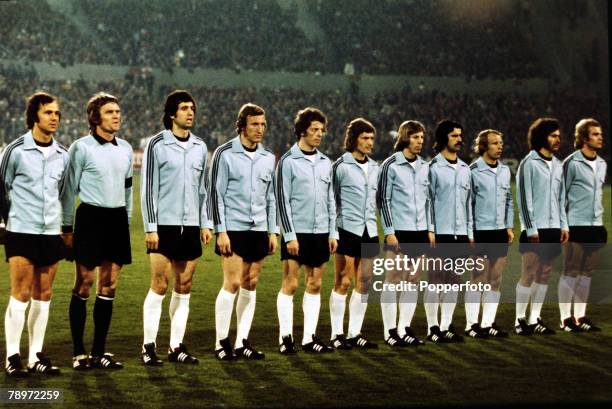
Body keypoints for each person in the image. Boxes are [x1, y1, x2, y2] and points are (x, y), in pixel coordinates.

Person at [61, 92, 134, 369]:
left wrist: (126, 220)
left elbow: (128, 189)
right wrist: (67, 228)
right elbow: (69, 191)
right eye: (110, 112)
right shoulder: (81, 148)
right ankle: (78, 353)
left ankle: (99, 352)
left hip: (116, 220)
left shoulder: (125, 148)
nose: (117, 115)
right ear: (95, 118)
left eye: (118, 111)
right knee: (84, 284)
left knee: (110, 286)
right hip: (90, 218)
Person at [140, 90, 212, 366]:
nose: (190, 112)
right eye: (184, 108)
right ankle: (148, 346)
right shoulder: (156, 144)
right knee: (160, 284)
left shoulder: (199, 146)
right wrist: (150, 227)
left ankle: (176, 346)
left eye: (192, 107)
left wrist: (204, 223)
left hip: (191, 225)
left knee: (185, 285)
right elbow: (147, 190)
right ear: (172, 114)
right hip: (164, 226)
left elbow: (202, 191)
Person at [1, 92, 68, 376]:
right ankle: (13, 356)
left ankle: (35, 356)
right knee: (21, 292)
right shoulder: (15, 150)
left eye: (57, 114)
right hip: (21, 230)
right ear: (34, 116)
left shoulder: (63, 155)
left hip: (51, 232)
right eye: (48, 113)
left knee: (44, 294)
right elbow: (0, 188)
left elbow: (65, 195)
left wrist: (66, 229)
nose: (54, 118)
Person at [208, 103, 278, 360]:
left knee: (251, 283)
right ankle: (221, 342)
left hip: (259, 228)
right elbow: (216, 195)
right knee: (233, 282)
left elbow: (271, 198)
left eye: (262, 124)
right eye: (254, 124)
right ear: (242, 126)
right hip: (233, 228)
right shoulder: (224, 153)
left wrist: (273, 231)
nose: (260, 129)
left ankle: (242, 342)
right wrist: (220, 231)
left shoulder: (268, 157)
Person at [275, 107, 338, 354]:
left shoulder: (325, 162)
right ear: (302, 131)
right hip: (297, 233)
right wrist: (289, 235)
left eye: (322, 130)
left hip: (321, 232)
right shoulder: (287, 162)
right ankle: (285, 338)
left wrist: (333, 232)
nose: (319, 134)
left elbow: (331, 200)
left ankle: (309, 338)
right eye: (314, 130)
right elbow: (282, 201)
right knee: (290, 283)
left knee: (315, 283)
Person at [377, 120, 433, 347]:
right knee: (393, 280)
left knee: (413, 280)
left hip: (420, 232)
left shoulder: (424, 166)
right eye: (416, 137)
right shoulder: (390, 165)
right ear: (405, 138)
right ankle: (390, 331)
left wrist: (430, 229)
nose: (420, 142)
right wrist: (389, 232)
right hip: (398, 232)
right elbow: (383, 200)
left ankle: (404, 328)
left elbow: (428, 200)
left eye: (422, 137)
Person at [515, 117, 569, 336]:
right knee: (529, 272)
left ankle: (535, 318)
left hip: (554, 228)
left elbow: (561, 198)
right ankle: (520, 320)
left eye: (558, 136)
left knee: (545, 273)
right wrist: (530, 229)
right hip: (535, 229)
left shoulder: (558, 165)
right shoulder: (528, 163)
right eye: (553, 135)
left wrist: (564, 225)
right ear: (541, 137)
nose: (558, 139)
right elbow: (523, 198)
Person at [330, 118, 380, 350]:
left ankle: (354, 333)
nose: (370, 143)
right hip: (347, 229)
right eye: (365, 138)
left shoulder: (376, 167)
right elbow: (332, 201)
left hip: (370, 230)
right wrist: (333, 231)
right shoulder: (340, 166)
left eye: (371, 138)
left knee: (365, 281)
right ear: (354, 139)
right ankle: (336, 334)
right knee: (343, 281)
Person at [427, 119, 473, 343]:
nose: (459, 139)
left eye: (460, 135)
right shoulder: (433, 168)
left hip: (460, 233)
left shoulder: (465, 169)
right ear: (444, 137)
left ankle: (446, 325)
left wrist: (470, 233)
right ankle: (432, 327)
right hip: (440, 233)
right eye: (454, 135)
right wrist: (431, 230)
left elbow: (468, 204)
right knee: (436, 279)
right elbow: (427, 203)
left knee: (454, 279)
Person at [558, 118, 606, 332]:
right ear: (584, 138)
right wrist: (563, 225)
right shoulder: (571, 162)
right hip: (574, 224)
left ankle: (580, 316)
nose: (600, 137)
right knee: (571, 270)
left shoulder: (603, 163)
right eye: (595, 134)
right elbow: (560, 196)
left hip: (596, 225)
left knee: (587, 272)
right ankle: (565, 319)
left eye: (600, 133)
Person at [467, 129, 514, 338]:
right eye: (495, 143)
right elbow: (466, 204)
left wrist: (509, 226)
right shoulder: (472, 171)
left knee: (495, 279)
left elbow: (509, 201)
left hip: (499, 233)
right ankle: (471, 325)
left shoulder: (505, 170)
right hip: (479, 232)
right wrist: (469, 232)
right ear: (484, 146)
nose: (500, 146)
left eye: (501, 142)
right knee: (478, 278)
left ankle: (487, 324)